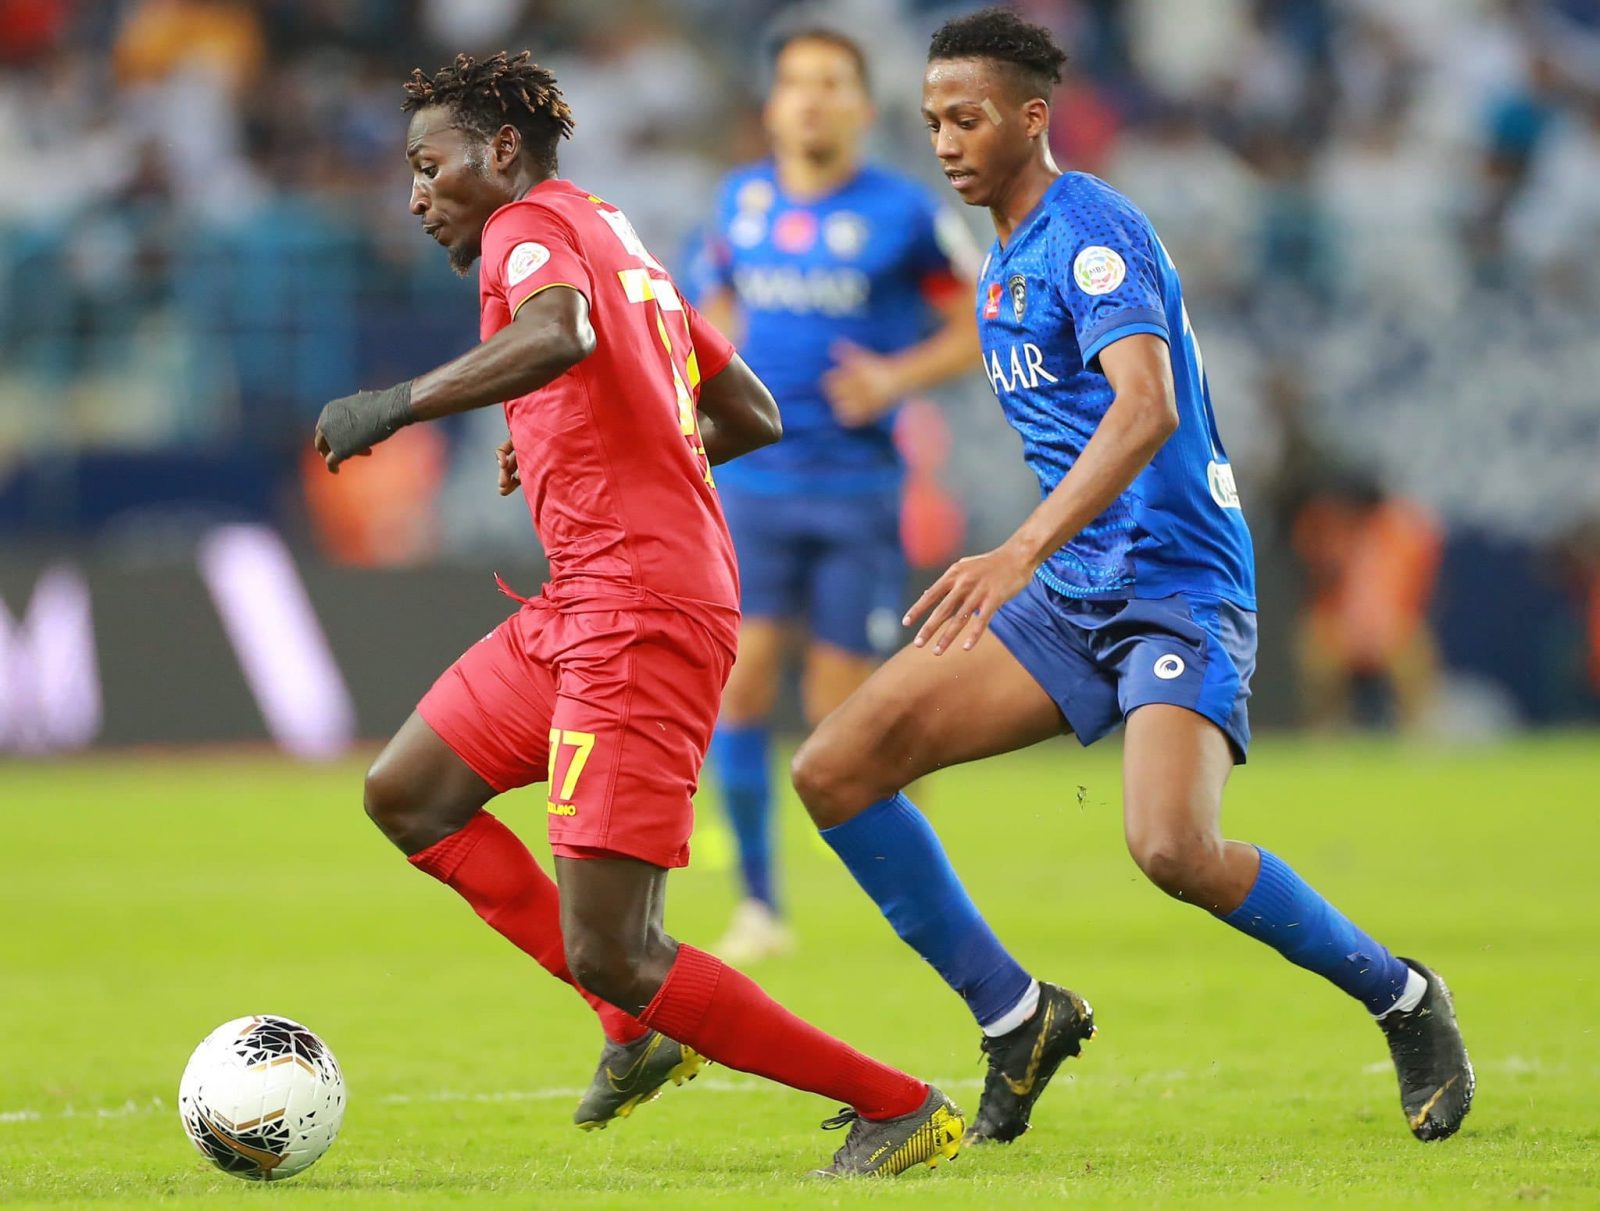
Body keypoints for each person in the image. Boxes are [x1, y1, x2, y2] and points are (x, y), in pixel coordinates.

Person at [790, 9, 1473, 1148]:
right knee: (834, 769)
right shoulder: (1000, 258)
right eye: (932, 122)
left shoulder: (1089, 229)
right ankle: (1017, 1017)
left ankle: (1403, 996)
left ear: (1032, 116)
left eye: (967, 118)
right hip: (1072, 594)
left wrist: (1016, 550)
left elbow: (1146, 406)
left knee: (1171, 848)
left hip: (1176, 583)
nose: (946, 142)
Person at [312, 50, 962, 1177]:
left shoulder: (525, 231)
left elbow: (558, 334)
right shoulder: (608, 230)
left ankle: (900, 1104)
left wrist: (396, 405)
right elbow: (747, 411)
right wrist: (586, 440)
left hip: (636, 611)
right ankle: (634, 1027)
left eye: (429, 165)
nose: (416, 194)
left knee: (617, 945)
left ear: (500, 150)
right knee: (409, 792)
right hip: (586, 600)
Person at [687, 28, 981, 962]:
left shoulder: (904, 212)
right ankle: (759, 906)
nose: (811, 99)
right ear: (773, 105)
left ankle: (913, 870)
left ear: (861, 106)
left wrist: (896, 378)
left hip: (857, 489)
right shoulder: (737, 203)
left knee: (841, 715)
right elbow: (707, 315)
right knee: (738, 685)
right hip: (753, 484)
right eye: (796, 83)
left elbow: (978, 320)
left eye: (830, 83)